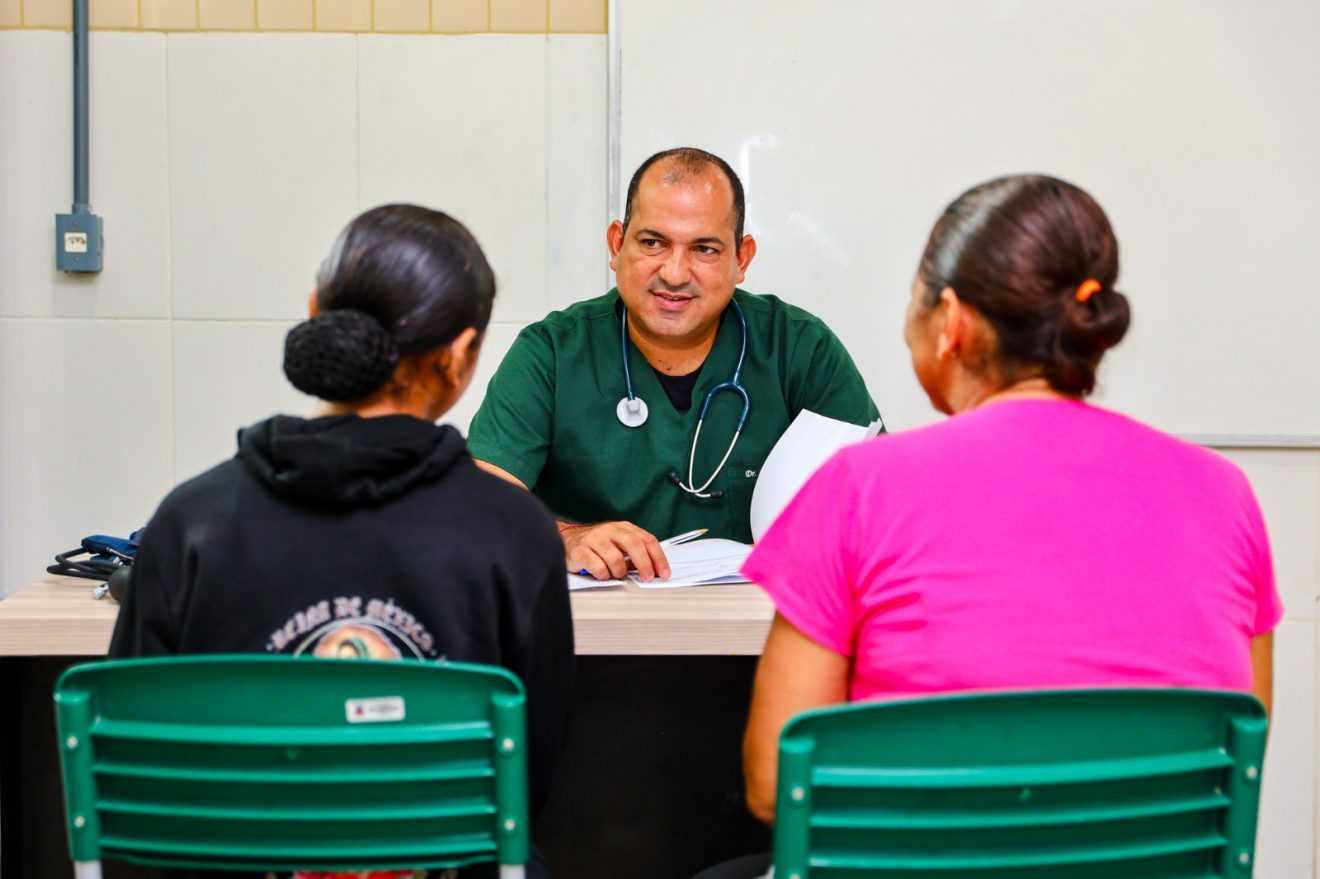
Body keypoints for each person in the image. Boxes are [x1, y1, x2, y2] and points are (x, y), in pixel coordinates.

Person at [697, 174, 1282, 879]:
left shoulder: (859, 487)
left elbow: (775, 782)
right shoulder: (1225, 496)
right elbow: (1237, 756)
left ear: (951, 321)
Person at [109, 204, 573, 879]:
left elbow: (137, 770)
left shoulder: (191, 521)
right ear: (462, 354)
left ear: (314, 310)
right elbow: (526, 781)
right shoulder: (514, 530)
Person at [468, 147, 880, 581]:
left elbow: (877, 504)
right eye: (652, 243)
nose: (675, 272)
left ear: (741, 259)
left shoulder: (798, 346)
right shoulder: (551, 352)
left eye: (704, 249)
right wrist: (566, 537)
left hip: (757, 634)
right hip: (590, 639)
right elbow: (476, 504)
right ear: (616, 244)